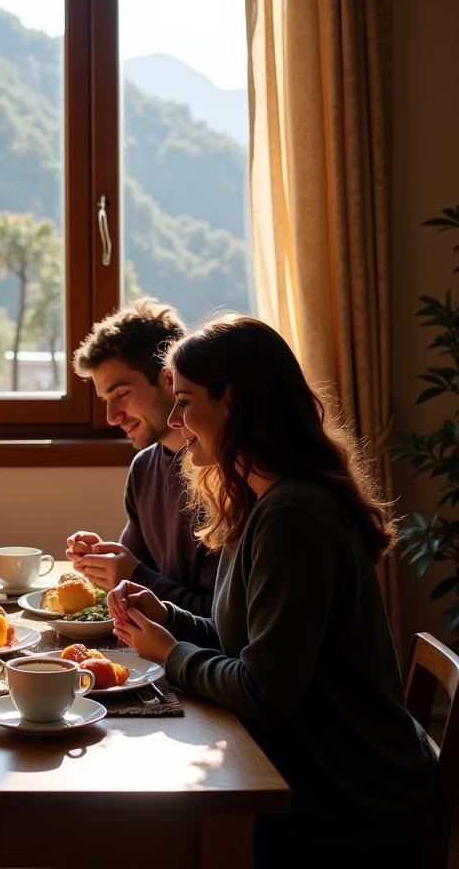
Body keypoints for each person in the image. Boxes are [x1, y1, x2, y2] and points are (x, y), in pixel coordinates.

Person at [109, 315, 436, 865]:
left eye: (185, 401)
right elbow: (250, 640)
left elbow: (265, 691)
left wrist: (170, 653)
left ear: (231, 401)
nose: (175, 420)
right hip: (315, 769)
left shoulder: (293, 516)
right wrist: (168, 617)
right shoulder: (263, 501)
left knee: (135, 835)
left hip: (344, 798)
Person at [65, 298, 217, 614]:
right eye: (105, 400)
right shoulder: (144, 467)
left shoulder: (221, 473)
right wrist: (101, 559)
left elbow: (220, 618)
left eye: (121, 394)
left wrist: (132, 574)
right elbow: (133, 571)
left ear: (169, 379)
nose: (111, 416)